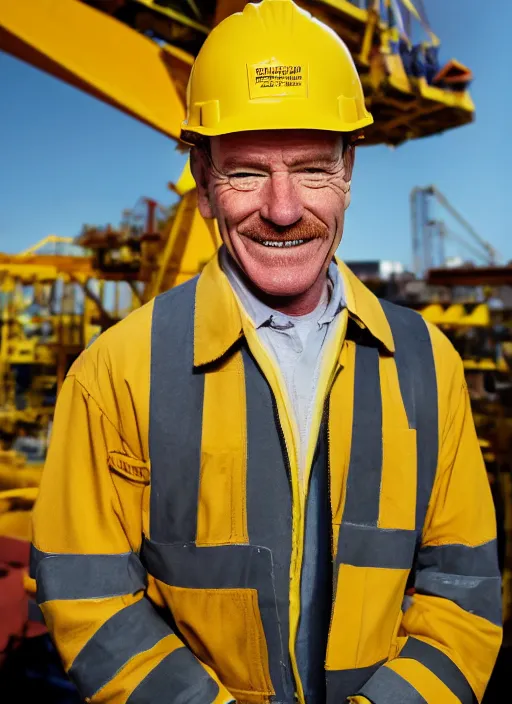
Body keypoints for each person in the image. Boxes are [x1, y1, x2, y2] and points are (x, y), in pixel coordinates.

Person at [31, 1, 502, 703]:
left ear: (349, 171)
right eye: (248, 172)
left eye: (312, 170)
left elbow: (462, 593)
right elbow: (88, 596)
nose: (283, 209)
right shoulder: (115, 374)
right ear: (202, 180)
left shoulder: (428, 365)